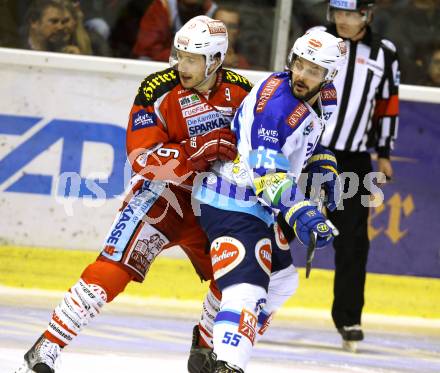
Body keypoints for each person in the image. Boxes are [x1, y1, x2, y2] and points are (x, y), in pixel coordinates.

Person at [17, 15, 251, 373]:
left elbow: (256, 147)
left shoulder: (242, 91)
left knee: (234, 274)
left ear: (216, 60)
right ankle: (46, 347)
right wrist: (196, 150)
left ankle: (205, 348)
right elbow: (142, 157)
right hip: (160, 200)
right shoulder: (156, 88)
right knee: (112, 269)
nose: (181, 65)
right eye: (179, 55)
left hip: (215, 203)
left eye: (192, 59)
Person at [193, 29, 346, 372]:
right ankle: (228, 363)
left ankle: (206, 347)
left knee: (281, 282)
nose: (303, 75)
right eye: (300, 65)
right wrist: (301, 211)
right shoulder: (273, 106)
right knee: (248, 287)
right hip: (230, 197)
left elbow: (303, 142)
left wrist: (323, 162)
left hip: (258, 203)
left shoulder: (325, 98)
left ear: (330, 77)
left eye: (314, 70)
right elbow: (267, 173)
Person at [313, 0, 400, 352]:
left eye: (351, 14)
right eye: (339, 12)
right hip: (309, 150)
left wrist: (385, 153)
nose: (343, 21)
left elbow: (387, 103)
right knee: (279, 224)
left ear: (367, 15)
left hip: (353, 159)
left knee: (352, 241)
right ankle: (254, 298)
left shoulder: (384, 53)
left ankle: (348, 317)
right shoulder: (315, 38)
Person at [132, 0, 217, 60]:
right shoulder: (164, 5)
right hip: (164, 64)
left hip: (201, 67)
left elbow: (223, 54)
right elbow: (147, 50)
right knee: (144, 59)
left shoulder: (214, 12)